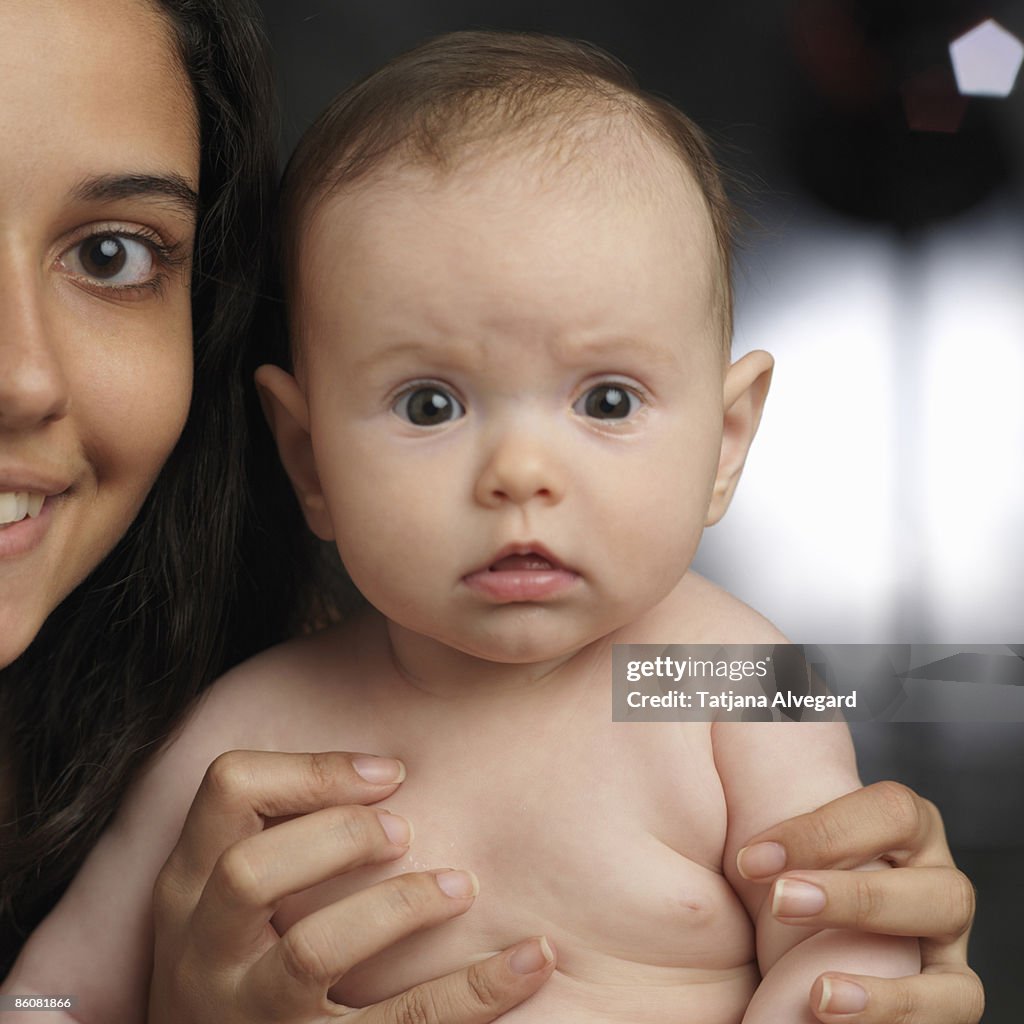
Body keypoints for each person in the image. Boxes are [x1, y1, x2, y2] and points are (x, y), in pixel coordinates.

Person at [0, 6, 983, 1023]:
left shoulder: (720, 678)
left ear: (725, 442)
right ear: (310, 459)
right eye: (430, 405)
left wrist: (851, 983)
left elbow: (855, 934)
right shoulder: (249, 731)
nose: (519, 473)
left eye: (605, 401)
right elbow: (54, 988)